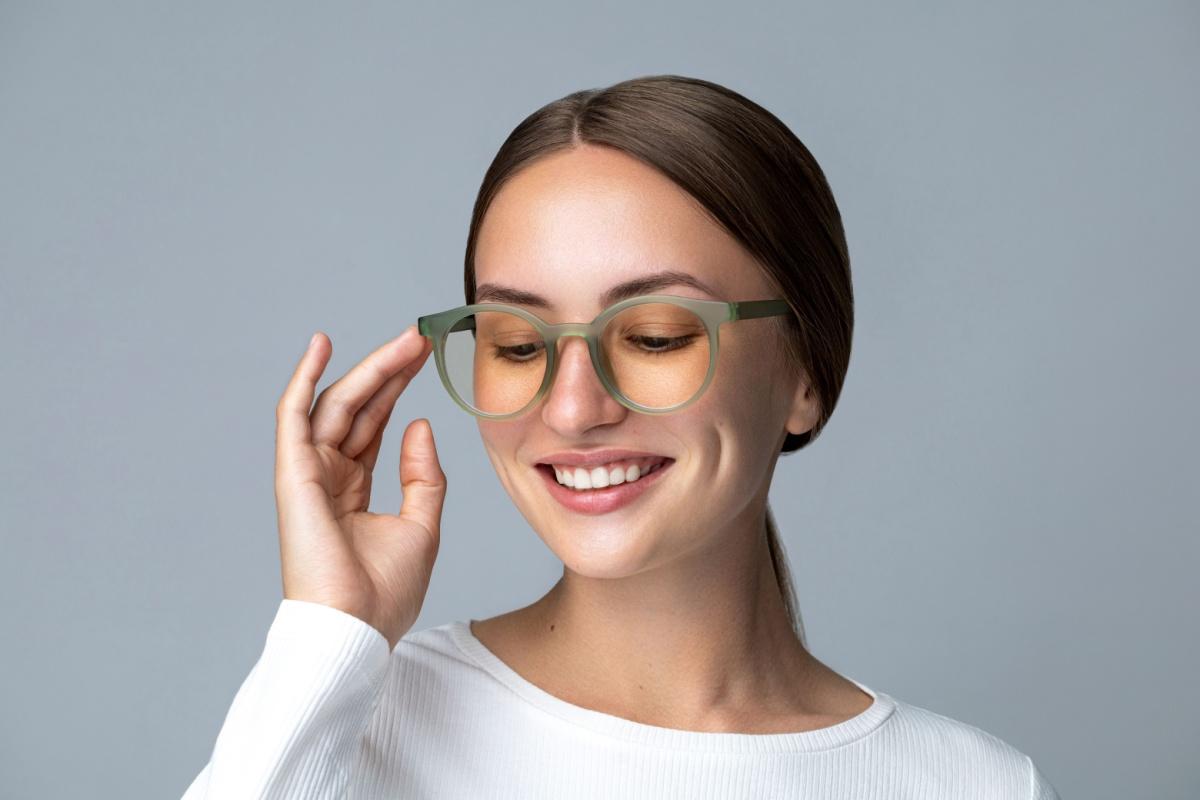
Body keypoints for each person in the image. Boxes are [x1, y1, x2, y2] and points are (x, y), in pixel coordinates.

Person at [181, 74, 1061, 799]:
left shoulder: (973, 785)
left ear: (805, 374)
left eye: (655, 337)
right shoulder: (350, 718)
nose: (573, 408)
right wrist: (326, 638)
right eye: (517, 346)